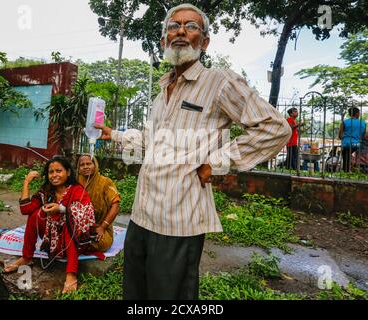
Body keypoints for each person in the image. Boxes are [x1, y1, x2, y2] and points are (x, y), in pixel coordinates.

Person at [95, 3, 291, 300]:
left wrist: (218, 162)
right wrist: (117, 135)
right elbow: (153, 140)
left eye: (191, 26)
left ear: (205, 41)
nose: (181, 31)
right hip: (141, 216)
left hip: (179, 222)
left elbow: (275, 128)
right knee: (136, 293)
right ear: (164, 40)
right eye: (173, 26)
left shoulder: (219, 82)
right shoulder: (163, 90)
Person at [2, 156, 95, 293]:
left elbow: (86, 215)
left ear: (68, 172)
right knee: (34, 215)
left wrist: (61, 209)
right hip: (53, 241)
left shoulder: (76, 190)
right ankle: (26, 257)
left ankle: (71, 274)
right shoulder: (46, 191)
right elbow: (26, 209)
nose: (54, 175)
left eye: (59, 171)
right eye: (51, 172)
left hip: (75, 241)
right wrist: (27, 182)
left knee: (70, 220)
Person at [77, 154, 120, 252]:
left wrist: (103, 227)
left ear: (95, 165)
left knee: (101, 243)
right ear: (78, 169)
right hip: (77, 226)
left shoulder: (105, 182)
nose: (86, 167)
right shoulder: (75, 181)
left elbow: (116, 205)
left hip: (98, 227)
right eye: (82, 165)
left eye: (89, 163)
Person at [339, 107, 366, 172]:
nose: (359, 114)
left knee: (346, 156)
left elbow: (340, 136)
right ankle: (350, 169)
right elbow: (364, 136)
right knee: (348, 154)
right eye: (359, 113)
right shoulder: (363, 123)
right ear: (357, 114)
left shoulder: (344, 122)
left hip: (346, 144)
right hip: (356, 144)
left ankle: (346, 170)